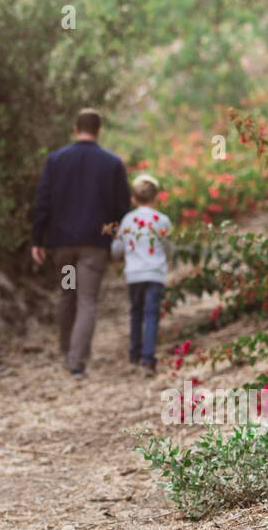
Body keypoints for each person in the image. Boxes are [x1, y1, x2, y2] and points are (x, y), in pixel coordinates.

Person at [31, 108, 131, 378]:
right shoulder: (111, 163)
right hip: (94, 247)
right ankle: (77, 362)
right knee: (87, 300)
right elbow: (122, 208)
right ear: (99, 131)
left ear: (75, 129)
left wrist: (37, 239)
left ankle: (67, 352)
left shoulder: (56, 160)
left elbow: (43, 203)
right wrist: (112, 234)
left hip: (63, 246)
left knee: (67, 294)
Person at [111, 174, 173, 376]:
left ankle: (134, 356)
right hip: (155, 273)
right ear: (156, 197)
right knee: (152, 315)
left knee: (136, 313)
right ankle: (148, 360)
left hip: (134, 274)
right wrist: (168, 258)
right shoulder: (162, 220)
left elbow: (116, 249)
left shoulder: (128, 220)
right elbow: (169, 247)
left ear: (133, 198)